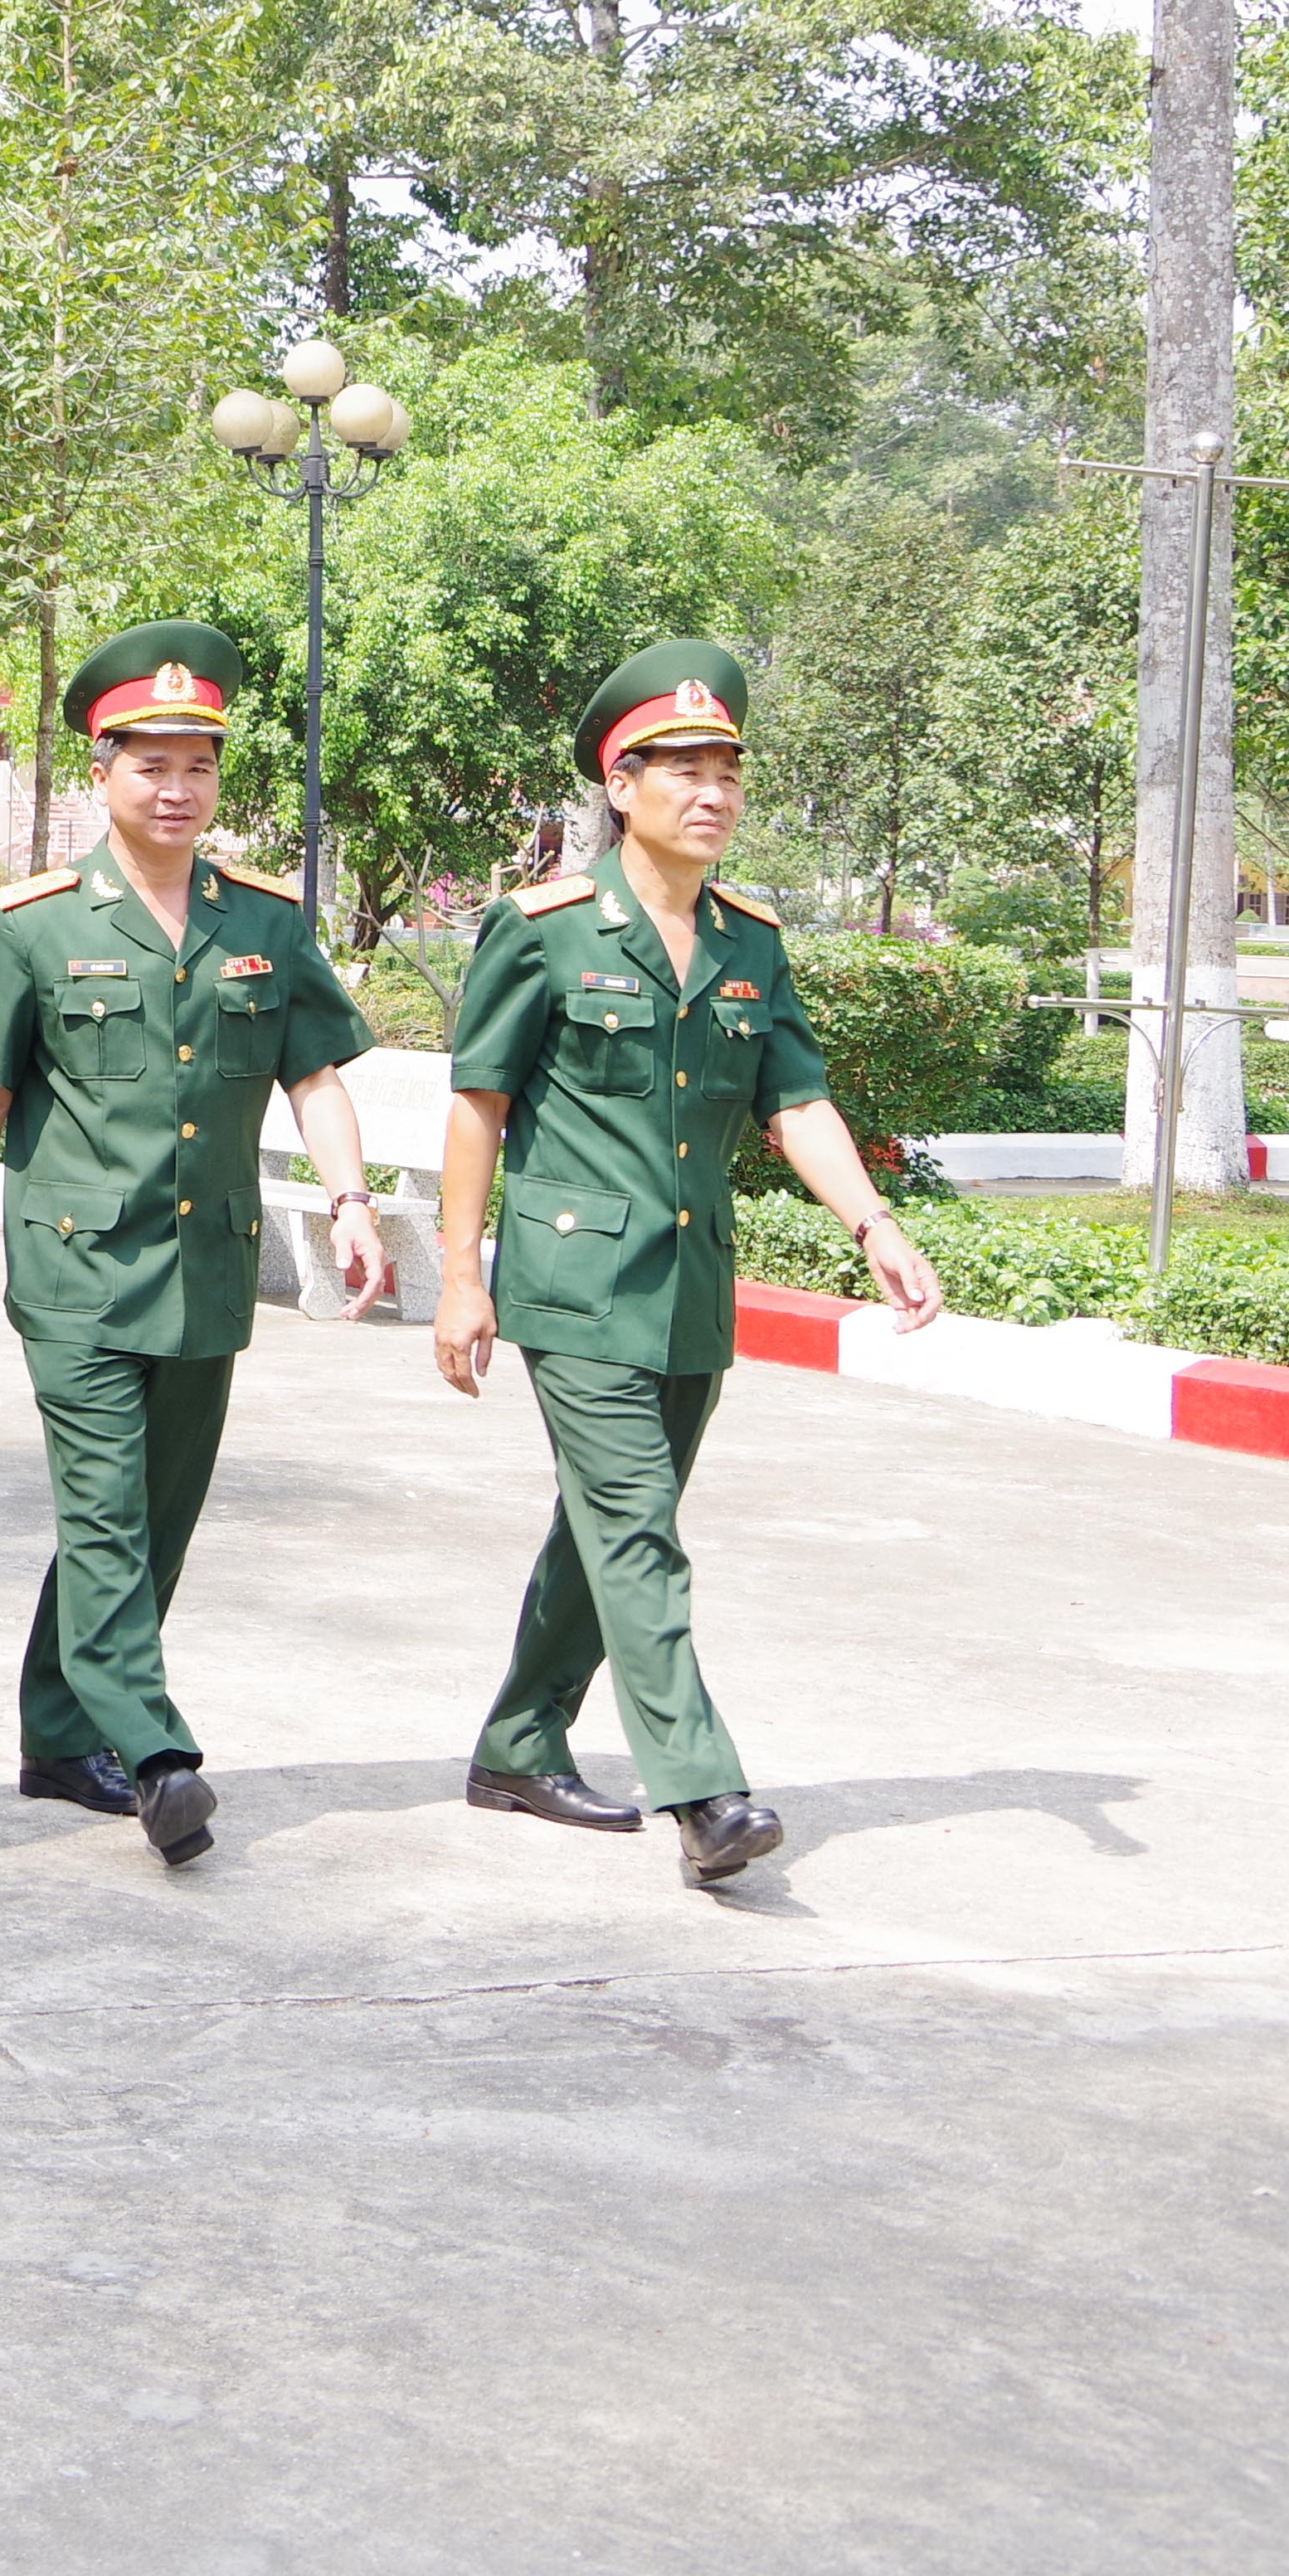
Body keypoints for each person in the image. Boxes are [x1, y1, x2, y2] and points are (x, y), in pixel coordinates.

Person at [434, 639, 946, 1885]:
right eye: (680, 770)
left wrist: (873, 1223)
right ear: (619, 785)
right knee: (638, 1533)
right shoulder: (543, 928)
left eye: (727, 771)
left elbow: (797, 1102)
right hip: (571, 1282)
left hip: (690, 1285)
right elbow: (478, 1105)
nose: (711, 794)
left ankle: (517, 1743)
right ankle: (704, 1793)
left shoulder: (752, 942)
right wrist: (460, 1273)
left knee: (610, 1525)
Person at [0, 625, 390, 1868]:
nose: (175, 791)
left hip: (209, 1269)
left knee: (151, 1519)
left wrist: (347, 1203)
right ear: (101, 772)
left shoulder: (268, 925)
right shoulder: (30, 925)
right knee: (107, 1507)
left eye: (197, 768)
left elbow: (319, 1078)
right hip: (73, 1265)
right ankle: (158, 1751)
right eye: (150, 767)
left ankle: (56, 1733)